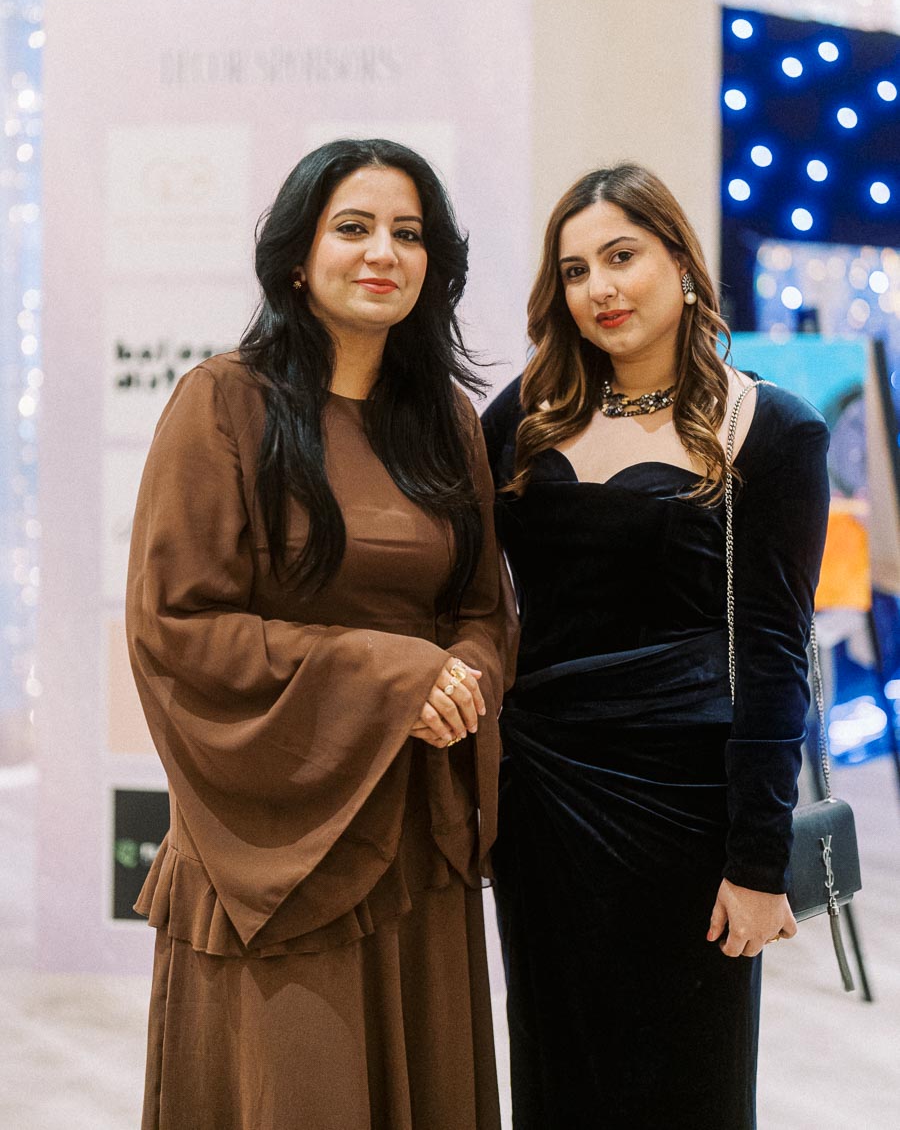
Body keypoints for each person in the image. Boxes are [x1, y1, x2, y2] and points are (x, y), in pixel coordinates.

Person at [127, 138, 518, 1130]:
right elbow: (178, 624)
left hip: (416, 838)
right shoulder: (223, 401)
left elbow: (479, 609)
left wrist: (461, 679)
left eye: (408, 233)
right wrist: (392, 677)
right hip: (277, 845)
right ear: (299, 256)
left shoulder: (448, 420)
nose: (383, 250)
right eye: (354, 227)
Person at [481, 163, 830, 1130]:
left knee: (690, 1085)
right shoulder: (522, 418)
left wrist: (759, 864)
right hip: (545, 806)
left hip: (688, 814)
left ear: (681, 263)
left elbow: (772, 657)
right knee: (556, 1064)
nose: (600, 287)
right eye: (576, 268)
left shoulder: (770, 430)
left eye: (623, 255)